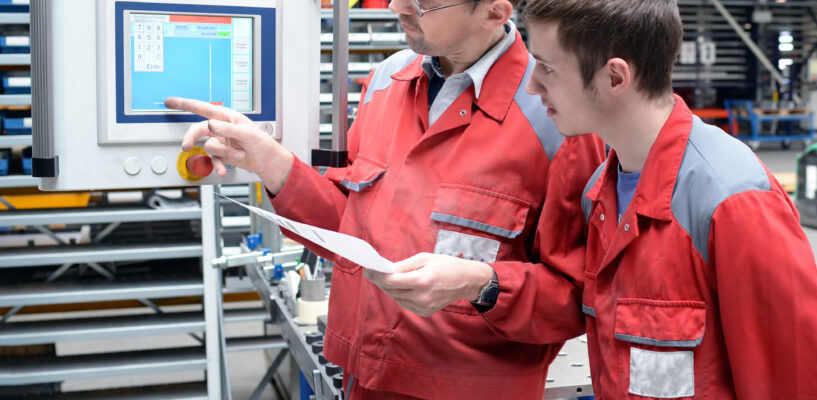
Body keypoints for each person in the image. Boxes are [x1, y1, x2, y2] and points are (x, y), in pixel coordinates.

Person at [367, 0, 817, 398]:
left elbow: (804, 385)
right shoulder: (602, 192)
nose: (532, 88)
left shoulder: (731, 202)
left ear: (615, 78)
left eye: (547, 71)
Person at [167, 0, 604, 398]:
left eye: (422, 3)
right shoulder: (386, 80)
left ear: (494, 13)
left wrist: (482, 284)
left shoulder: (553, 117)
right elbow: (350, 230)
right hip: (363, 379)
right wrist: (273, 164)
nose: (398, 7)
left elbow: (575, 296)